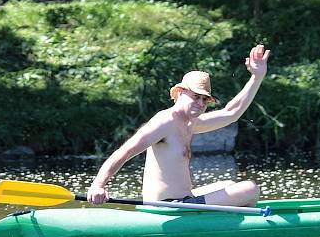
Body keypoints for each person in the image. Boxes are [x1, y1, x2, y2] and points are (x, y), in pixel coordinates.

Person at [87, 44, 271, 207]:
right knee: (250, 188)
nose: (201, 103)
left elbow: (231, 113)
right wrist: (98, 185)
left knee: (229, 185)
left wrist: (257, 77)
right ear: (181, 93)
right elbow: (125, 151)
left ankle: (227, 233)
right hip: (168, 207)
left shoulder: (190, 123)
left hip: (185, 201)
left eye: (205, 99)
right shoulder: (165, 121)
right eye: (196, 97)